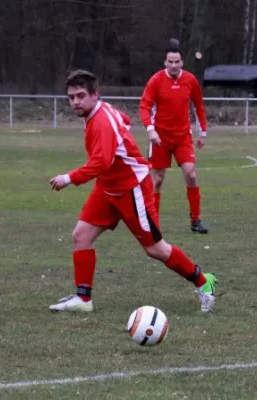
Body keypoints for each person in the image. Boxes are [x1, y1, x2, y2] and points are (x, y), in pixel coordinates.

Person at [49, 69, 217, 313]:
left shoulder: (101, 121)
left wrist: (68, 178)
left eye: (81, 95)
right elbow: (125, 119)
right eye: (71, 97)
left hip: (131, 189)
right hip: (107, 189)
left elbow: (101, 163)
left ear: (95, 95)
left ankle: (204, 282)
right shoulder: (101, 112)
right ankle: (83, 299)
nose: (75, 101)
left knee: (155, 249)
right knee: (81, 236)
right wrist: (122, 129)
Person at [139, 48, 209, 234]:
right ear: (165, 62)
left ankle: (196, 220)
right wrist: (150, 130)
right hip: (160, 139)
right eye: (170, 61)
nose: (173, 65)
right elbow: (144, 106)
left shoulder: (190, 80)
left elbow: (199, 106)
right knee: (158, 180)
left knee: (191, 174)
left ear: (182, 62)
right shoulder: (156, 80)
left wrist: (203, 133)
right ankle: (153, 224)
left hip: (182, 137)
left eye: (177, 61)